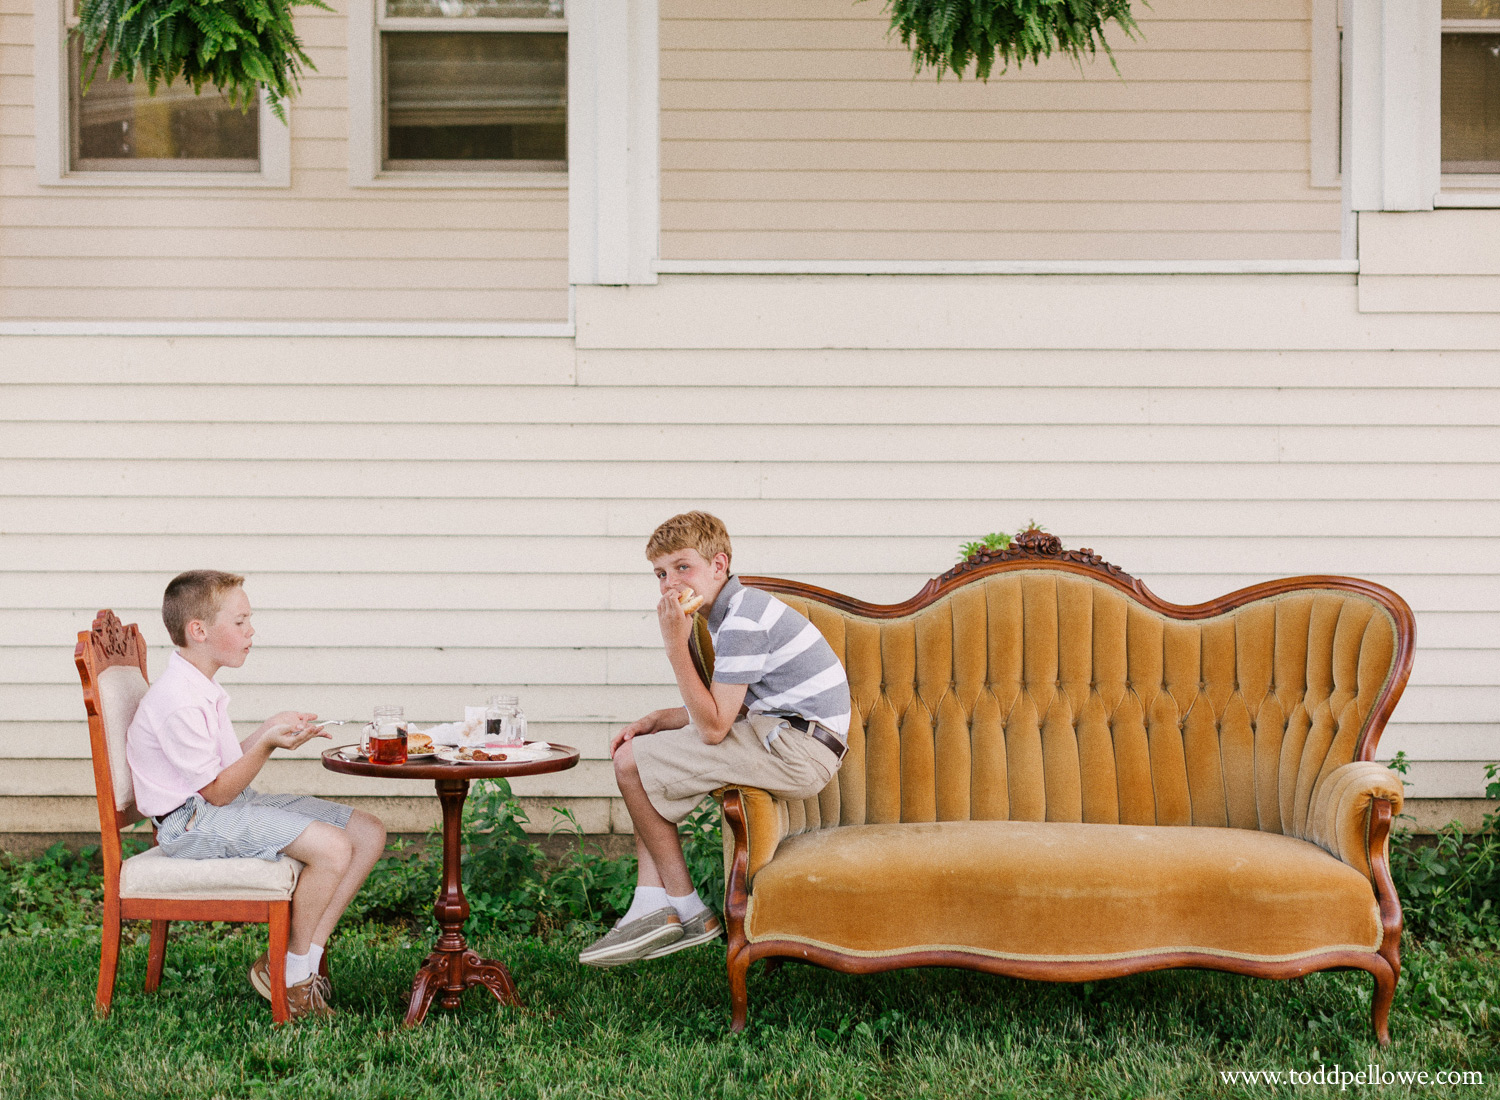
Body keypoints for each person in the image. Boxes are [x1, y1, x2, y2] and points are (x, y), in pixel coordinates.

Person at [580, 512, 851, 967]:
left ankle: (685, 908)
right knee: (640, 756)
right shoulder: (733, 613)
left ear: (719, 565)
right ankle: (650, 903)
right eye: (661, 573)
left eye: (683, 567)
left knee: (630, 763)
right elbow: (736, 708)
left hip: (800, 750)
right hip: (785, 735)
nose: (670, 584)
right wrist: (658, 719)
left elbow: (713, 728)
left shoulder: (742, 621)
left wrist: (674, 644)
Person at [125, 570, 387, 1019]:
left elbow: (221, 774)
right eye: (241, 621)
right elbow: (219, 792)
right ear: (199, 630)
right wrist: (267, 744)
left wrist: (268, 729)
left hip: (216, 806)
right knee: (332, 847)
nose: (251, 631)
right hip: (191, 823)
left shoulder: (199, 687)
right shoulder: (180, 701)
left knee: (367, 831)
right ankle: (294, 979)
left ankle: (295, 962)